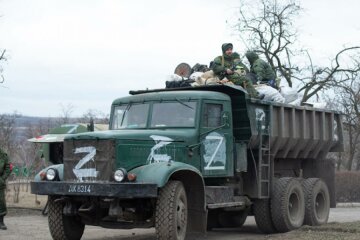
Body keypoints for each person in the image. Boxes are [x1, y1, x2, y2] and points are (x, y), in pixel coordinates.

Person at [0, 148, 10, 230]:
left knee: (1, 202)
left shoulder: (4, 155)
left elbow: (8, 168)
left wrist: (2, 179)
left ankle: (1, 222)